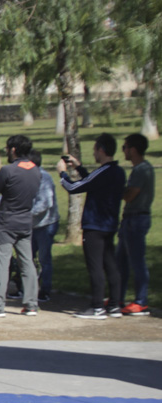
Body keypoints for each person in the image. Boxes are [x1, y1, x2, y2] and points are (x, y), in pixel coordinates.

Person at [57, 133, 126, 319]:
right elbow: (94, 183)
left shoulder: (103, 171)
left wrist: (62, 173)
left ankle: (97, 307)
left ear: (101, 150)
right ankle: (114, 305)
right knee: (111, 265)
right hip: (109, 224)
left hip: (94, 225)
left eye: (95, 149)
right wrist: (78, 167)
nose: (94, 153)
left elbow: (73, 188)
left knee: (95, 266)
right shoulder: (118, 172)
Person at [0, 134, 40, 317]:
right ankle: (31, 304)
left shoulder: (8, 170)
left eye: (7, 148)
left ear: (13, 150)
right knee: (27, 263)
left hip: (6, 223)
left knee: (2, 264)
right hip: (25, 223)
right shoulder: (36, 170)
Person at [116, 133, 153, 316]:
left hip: (137, 219)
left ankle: (141, 301)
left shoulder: (142, 169)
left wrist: (118, 189)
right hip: (130, 218)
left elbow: (131, 195)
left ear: (133, 149)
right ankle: (118, 298)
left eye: (125, 147)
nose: (123, 151)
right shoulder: (138, 169)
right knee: (120, 261)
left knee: (136, 261)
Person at [29, 151, 59, 302]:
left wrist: (28, 214)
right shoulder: (26, 177)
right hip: (31, 224)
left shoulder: (44, 178)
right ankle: (26, 288)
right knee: (28, 256)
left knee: (44, 258)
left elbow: (46, 202)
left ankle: (45, 290)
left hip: (46, 223)